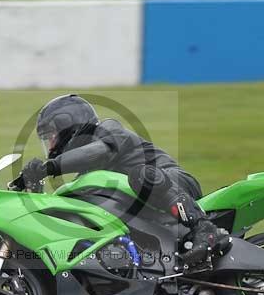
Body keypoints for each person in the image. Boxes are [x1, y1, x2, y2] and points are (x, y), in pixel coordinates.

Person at [20, 94, 231, 268]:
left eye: (51, 137)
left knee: (141, 175)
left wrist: (51, 167)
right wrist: (32, 187)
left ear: (68, 126)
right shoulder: (87, 175)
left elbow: (100, 151)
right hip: (150, 208)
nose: (49, 146)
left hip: (174, 183)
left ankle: (205, 229)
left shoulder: (107, 131)